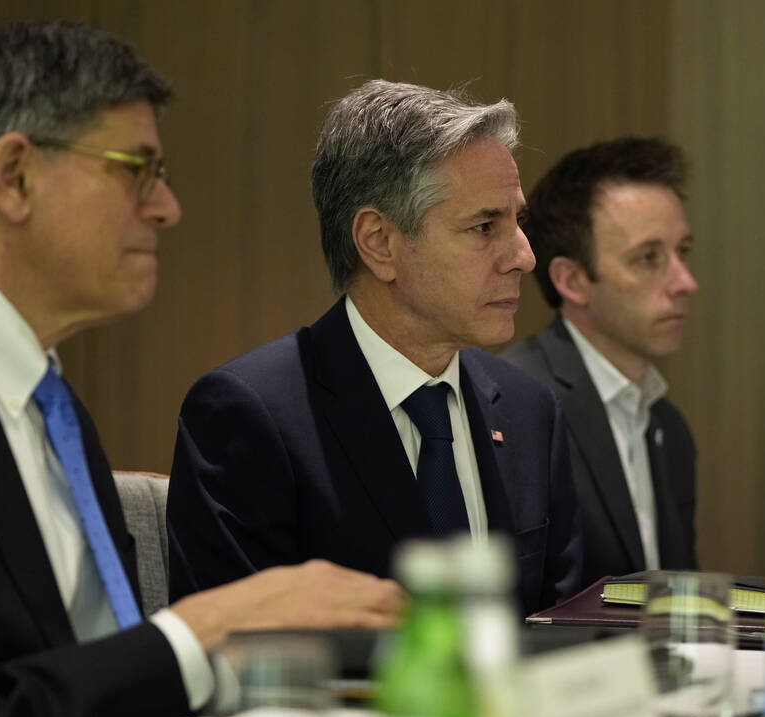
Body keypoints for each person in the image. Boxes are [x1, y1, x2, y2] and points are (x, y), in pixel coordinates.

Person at [0, 20, 402, 717]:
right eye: (137, 169)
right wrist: (207, 628)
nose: (167, 208)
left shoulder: (52, 406)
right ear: (14, 176)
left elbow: (86, 676)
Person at [167, 80, 583, 617]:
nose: (524, 257)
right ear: (379, 242)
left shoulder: (530, 411)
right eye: (485, 226)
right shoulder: (249, 415)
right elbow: (236, 651)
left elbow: (562, 630)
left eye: (517, 221)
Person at [503, 137, 699, 588]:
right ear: (572, 280)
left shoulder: (670, 427)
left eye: (682, 252)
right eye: (649, 258)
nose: (685, 281)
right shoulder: (515, 406)